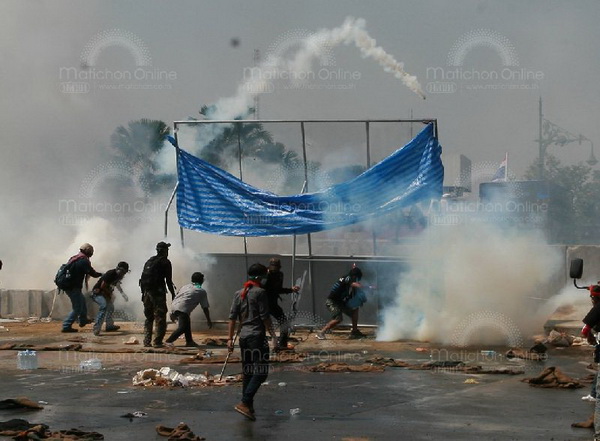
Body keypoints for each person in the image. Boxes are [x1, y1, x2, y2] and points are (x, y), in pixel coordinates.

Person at [228, 263, 277, 421]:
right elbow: (265, 317)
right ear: (260, 277)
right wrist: (273, 336)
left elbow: (232, 317)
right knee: (261, 372)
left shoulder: (238, 293)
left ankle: (248, 406)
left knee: (248, 371)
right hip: (257, 337)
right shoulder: (260, 292)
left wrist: (229, 339)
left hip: (244, 337)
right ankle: (245, 401)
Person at [140, 241, 176, 348]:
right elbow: (169, 281)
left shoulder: (149, 261)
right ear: (165, 251)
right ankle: (157, 342)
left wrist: (143, 294)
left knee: (149, 317)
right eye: (167, 250)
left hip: (146, 293)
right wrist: (173, 294)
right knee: (160, 316)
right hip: (157, 293)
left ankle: (147, 341)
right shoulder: (166, 262)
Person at [315, 266, 366, 340]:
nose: (357, 280)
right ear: (355, 276)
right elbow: (355, 284)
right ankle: (321, 333)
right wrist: (369, 287)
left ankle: (354, 332)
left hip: (340, 302)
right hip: (332, 302)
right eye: (357, 278)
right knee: (338, 319)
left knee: (354, 310)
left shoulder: (347, 277)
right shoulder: (348, 278)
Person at [61, 243, 102, 333]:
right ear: (88, 251)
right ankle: (66, 325)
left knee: (82, 301)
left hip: (69, 286)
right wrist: (101, 274)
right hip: (73, 287)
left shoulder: (75, 258)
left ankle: (83, 320)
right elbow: (92, 273)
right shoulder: (83, 261)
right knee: (77, 307)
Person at [165, 272, 212, 348]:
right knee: (182, 327)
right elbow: (205, 307)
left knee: (186, 323)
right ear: (201, 280)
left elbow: (177, 296)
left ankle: (189, 341)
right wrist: (208, 320)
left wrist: (172, 312)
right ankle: (169, 341)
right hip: (182, 309)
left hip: (174, 306)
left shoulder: (185, 287)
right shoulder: (201, 291)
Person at [264, 258, 299, 351]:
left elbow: (278, 289)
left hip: (273, 304)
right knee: (261, 326)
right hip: (263, 304)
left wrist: (291, 290)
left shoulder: (279, 275)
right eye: (273, 267)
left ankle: (282, 345)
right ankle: (262, 346)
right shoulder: (265, 275)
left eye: (276, 267)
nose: (274, 269)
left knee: (284, 323)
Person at [91, 261, 130, 336]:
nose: (123, 274)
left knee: (111, 308)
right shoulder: (110, 273)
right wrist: (109, 294)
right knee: (104, 306)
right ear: (118, 269)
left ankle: (109, 326)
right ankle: (96, 328)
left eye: (124, 272)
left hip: (105, 294)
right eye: (122, 271)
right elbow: (102, 286)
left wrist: (123, 294)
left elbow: (117, 284)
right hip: (97, 293)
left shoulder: (119, 276)